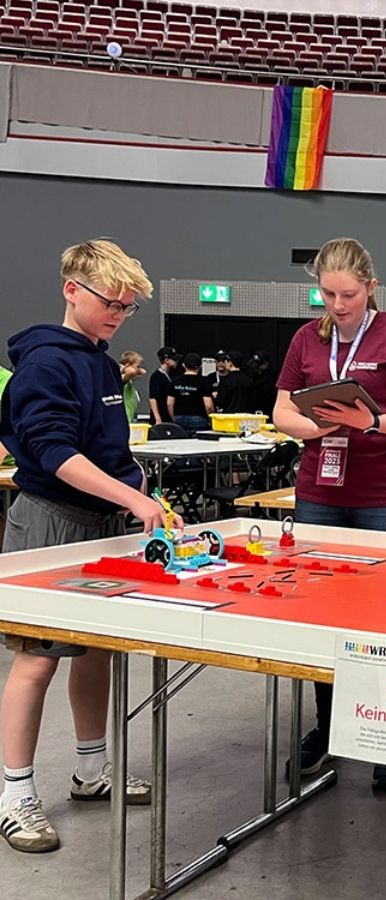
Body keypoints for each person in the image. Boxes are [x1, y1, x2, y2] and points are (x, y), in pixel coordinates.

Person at [0, 239, 178, 854]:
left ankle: (91, 770)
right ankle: (15, 794)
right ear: (72, 289)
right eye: (111, 302)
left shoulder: (101, 361)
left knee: (94, 652)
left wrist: (138, 489)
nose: (118, 315)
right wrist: (132, 500)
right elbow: (54, 452)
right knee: (37, 657)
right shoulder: (47, 363)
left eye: (128, 307)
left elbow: (103, 450)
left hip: (101, 525)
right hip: (50, 522)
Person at [273, 237, 386, 791]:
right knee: (323, 611)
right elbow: (281, 410)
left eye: (349, 294)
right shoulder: (304, 338)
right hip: (321, 488)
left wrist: (366, 422)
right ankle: (331, 726)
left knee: (385, 614)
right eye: (328, 294)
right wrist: (316, 426)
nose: (338, 305)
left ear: (370, 286)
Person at [168, 353, 213, 434]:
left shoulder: (175, 381)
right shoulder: (203, 382)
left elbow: (169, 404)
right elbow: (208, 405)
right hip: (198, 419)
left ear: (183, 365)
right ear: (200, 366)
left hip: (178, 418)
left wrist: (173, 418)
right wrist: (211, 418)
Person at [213, 350, 257, 414]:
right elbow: (254, 401)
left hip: (230, 418)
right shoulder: (249, 380)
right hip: (246, 418)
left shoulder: (226, 380)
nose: (224, 364)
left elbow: (221, 402)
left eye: (225, 361)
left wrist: (216, 397)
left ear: (230, 363)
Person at [148, 346, 179, 424]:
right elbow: (153, 398)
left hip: (167, 416)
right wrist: (157, 418)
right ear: (167, 360)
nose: (177, 362)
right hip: (161, 416)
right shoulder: (157, 376)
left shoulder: (170, 375)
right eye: (174, 359)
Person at [118, 350, 146, 422]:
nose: (138, 369)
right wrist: (124, 368)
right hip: (122, 415)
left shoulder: (129, 378)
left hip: (129, 413)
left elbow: (143, 372)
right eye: (137, 366)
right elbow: (132, 372)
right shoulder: (120, 377)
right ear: (127, 365)